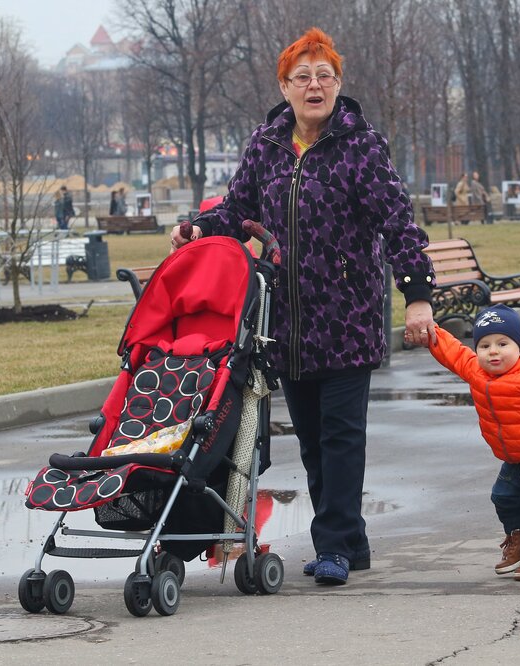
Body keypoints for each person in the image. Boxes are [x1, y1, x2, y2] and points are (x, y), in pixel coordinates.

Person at [170, 27, 436, 586]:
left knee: (341, 437)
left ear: (338, 84)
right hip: (285, 323)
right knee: (314, 441)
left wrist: (417, 297)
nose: (315, 85)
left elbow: (398, 224)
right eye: (303, 77)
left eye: (325, 76)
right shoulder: (266, 145)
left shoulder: (361, 146)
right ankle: (351, 541)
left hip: (346, 319)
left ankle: (333, 544)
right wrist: (196, 228)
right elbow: (238, 209)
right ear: (285, 86)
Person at [419, 305, 520, 581]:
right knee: (503, 497)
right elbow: (454, 353)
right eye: (484, 345)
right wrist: (430, 333)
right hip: (516, 460)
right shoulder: (477, 372)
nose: (493, 351)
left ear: (519, 347)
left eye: (502, 344)